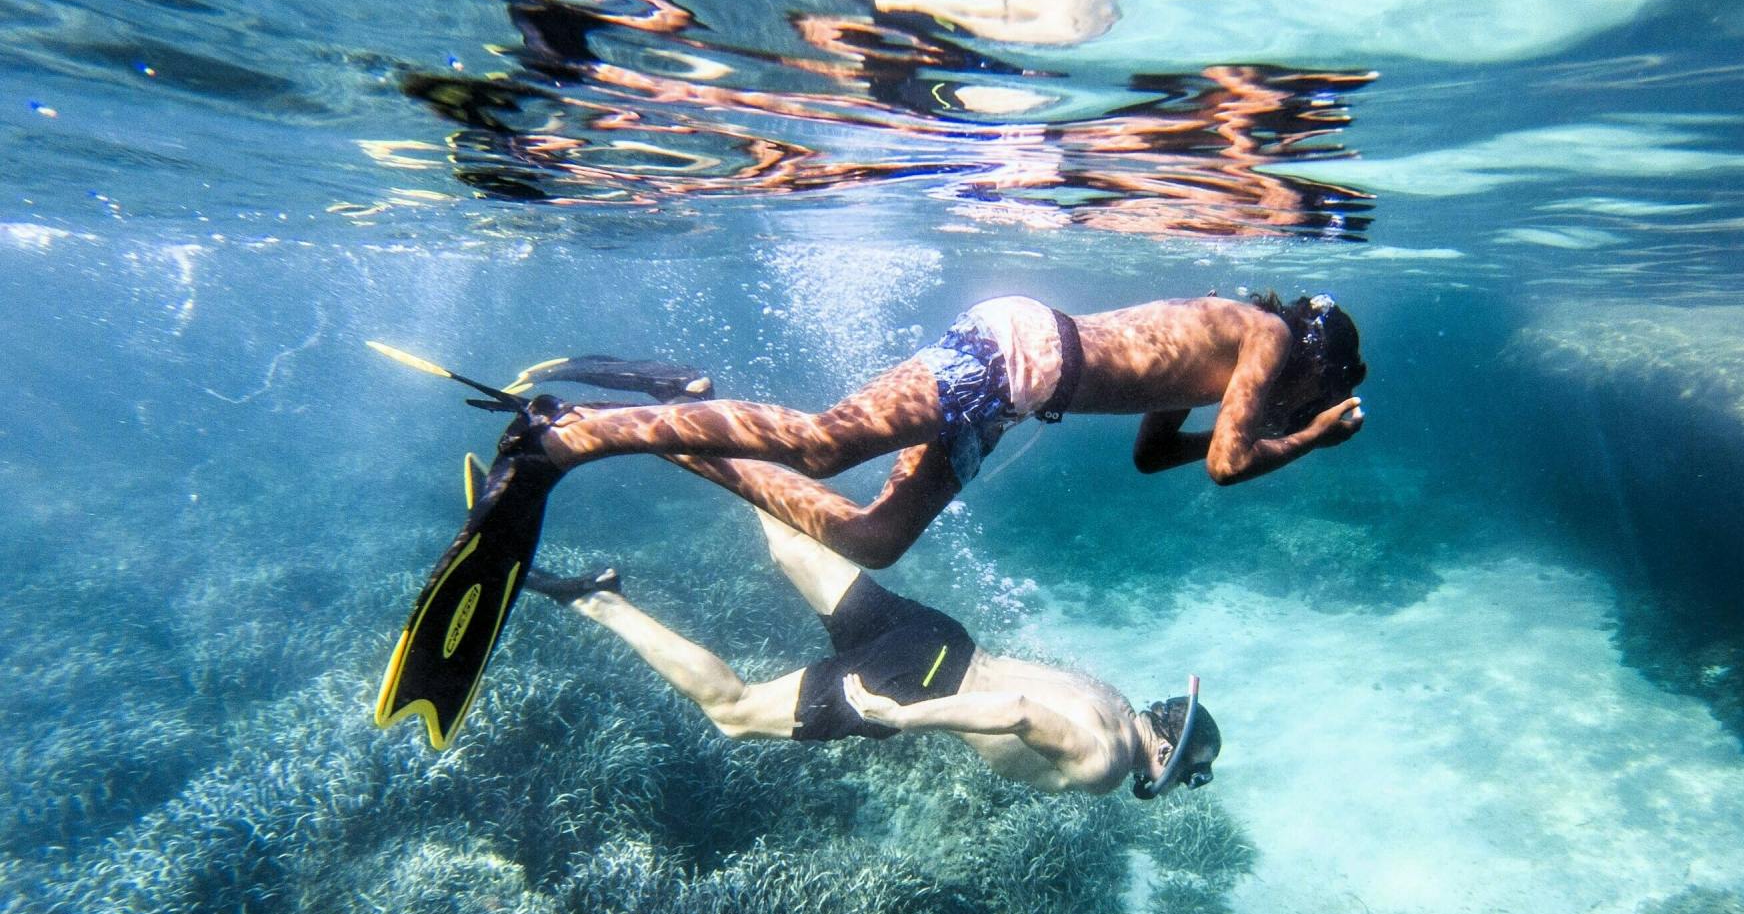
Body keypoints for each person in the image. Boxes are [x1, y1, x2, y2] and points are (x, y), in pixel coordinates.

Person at [490, 291, 1366, 569]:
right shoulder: (1268, 335)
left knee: (875, 540)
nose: (1309, 399)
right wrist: (1313, 442)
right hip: (1015, 350)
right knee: (823, 443)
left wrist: (1269, 438)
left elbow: (1154, 457)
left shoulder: (1225, 354)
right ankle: (566, 435)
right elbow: (1225, 465)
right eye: (1322, 387)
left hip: (1014, 394)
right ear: (1316, 359)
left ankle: (678, 430)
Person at [527, 510, 1221, 799]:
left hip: (940, 638)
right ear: (1167, 751)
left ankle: (695, 418)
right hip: (910, 684)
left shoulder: (1112, 696)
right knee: (733, 711)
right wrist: (903, 717)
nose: (1178, 785)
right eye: (1189, 773)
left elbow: (1020, 682)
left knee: (791, 545)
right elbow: (1013, 710)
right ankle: (597, 598)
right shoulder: (1104, 764)